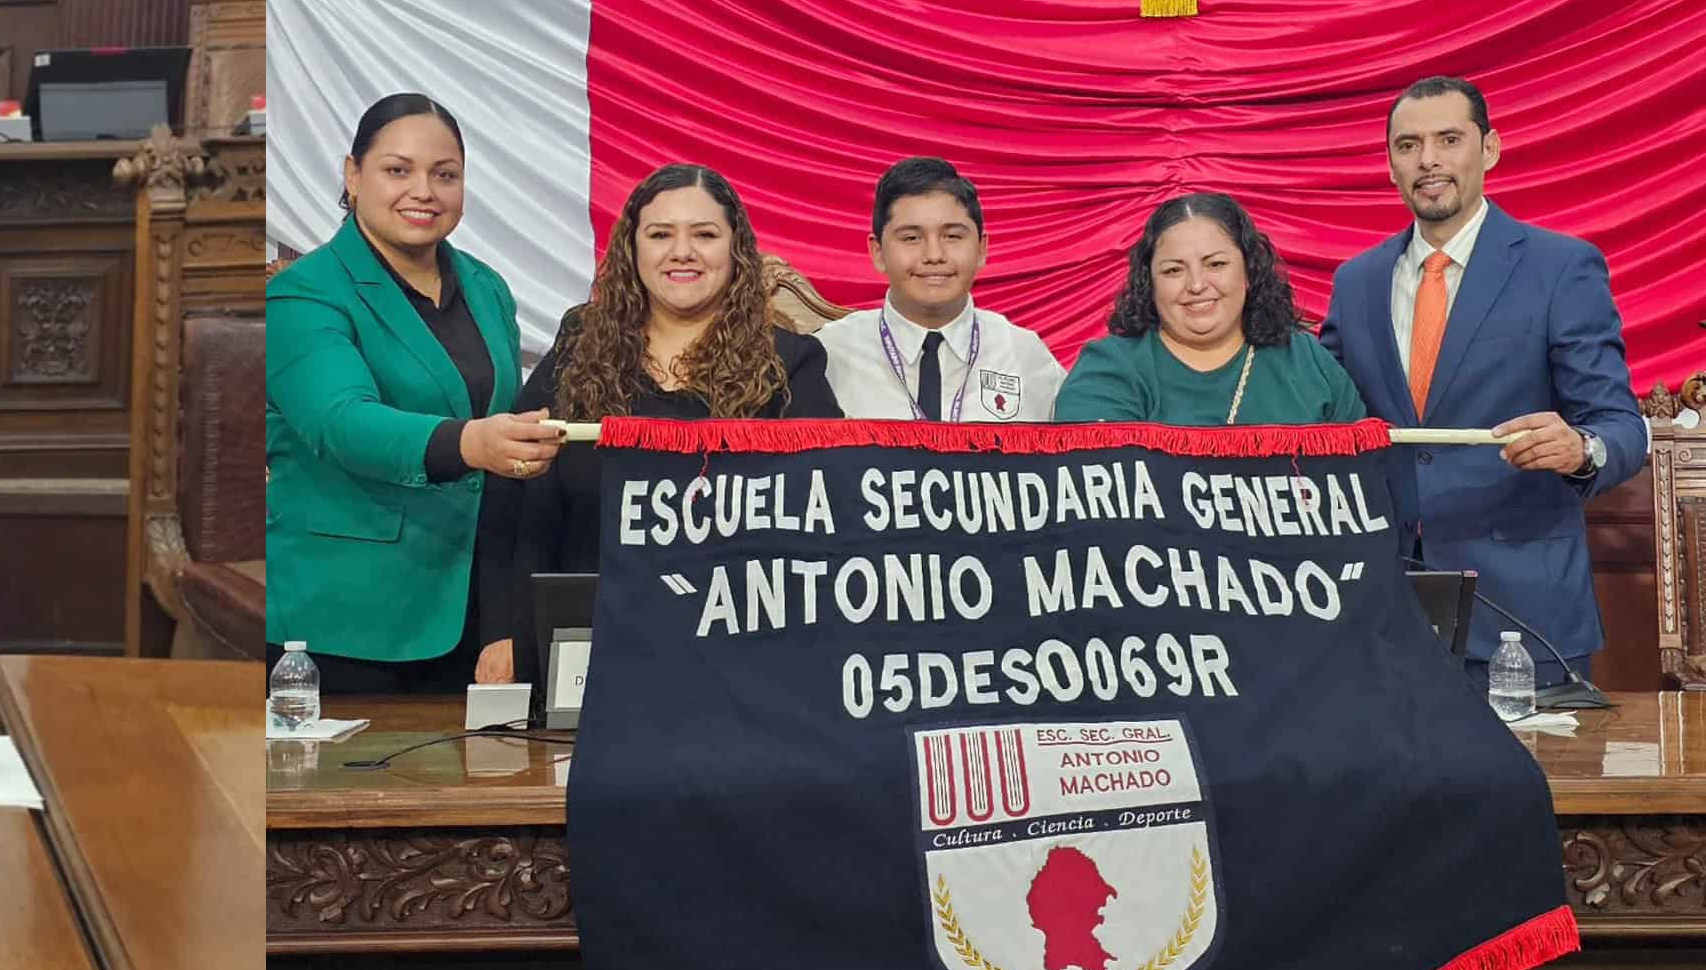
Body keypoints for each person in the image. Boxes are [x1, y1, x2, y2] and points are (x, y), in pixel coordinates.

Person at [1318, 76, 1646, 675]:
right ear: (1389, 165)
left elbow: (1621, 426)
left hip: (1525, 623)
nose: (1429, 160)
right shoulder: (1355, 282)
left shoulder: (1561, 267)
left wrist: (1581, 448)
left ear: (1489, 149)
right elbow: (1327, 424)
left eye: (1449, 139)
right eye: (1408, 145)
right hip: (1379, 618)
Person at [482, 164, 842, 682]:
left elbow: (824, 522)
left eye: (704, 235)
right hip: (581, 651)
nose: (682, 252)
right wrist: (506, 631)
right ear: (631, 248)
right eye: (660, 234)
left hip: (741, 655)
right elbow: (512, 495)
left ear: (736, 249)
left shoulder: (790, 364)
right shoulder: (578, 344)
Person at [265, 94, 561, 693]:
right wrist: (473, 443)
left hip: (476, 615)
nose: (423, 191)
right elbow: (343, 423)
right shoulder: (303, 293)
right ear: (353, 175)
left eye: (444, 174)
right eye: (397, 170)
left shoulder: (487, 287)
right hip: (345, 623)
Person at [1055, 193, 1364, 426]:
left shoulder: (1308, 362)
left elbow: (1366, 482)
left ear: (1248, 272)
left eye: (1216, 264)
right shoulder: (1108, 369)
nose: (1197, 285)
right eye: (1174, 271)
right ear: (1149, 282)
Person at [817, 157, 1066, 423]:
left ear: (982, 249)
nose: (934, 255)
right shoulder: (829, 354)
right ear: (878, 252)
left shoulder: (1026, 356)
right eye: (911, 238)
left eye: (952, 236)